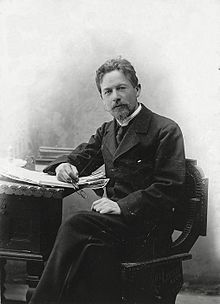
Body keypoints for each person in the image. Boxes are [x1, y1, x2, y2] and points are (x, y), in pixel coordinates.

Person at [30, 57, 185, 304]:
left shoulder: (165, 130)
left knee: (75, 224)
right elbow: (80, 157)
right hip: (114, 226)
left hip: (147, 228)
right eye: (108, 91)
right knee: (84, 255)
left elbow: (169, 188)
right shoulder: (107, 131)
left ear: (137, 89)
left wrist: (121, 205)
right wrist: (64, 165)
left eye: (121, 88)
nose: (116, 96)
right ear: (102, 99)